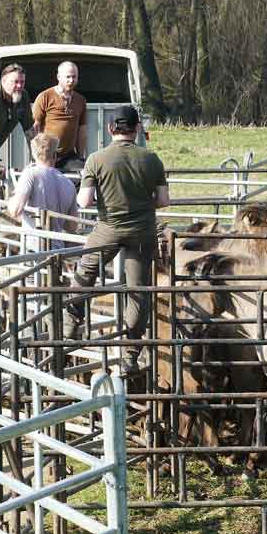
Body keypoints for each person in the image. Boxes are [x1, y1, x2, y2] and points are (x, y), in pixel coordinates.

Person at [64, 105, 168, 375]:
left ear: (111, 129)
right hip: (142, 232)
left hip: (108, 228)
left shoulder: (97, 159)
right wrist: (143, 204)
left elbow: (84, 200)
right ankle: (130, 357)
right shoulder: (151, 158)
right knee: (138, 292)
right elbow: (164, 201)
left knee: (85, 272)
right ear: (137, 129)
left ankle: (71, 325)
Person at [6, 133, 79, 251]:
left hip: (33, 251)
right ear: (55, 155)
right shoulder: (69, 183)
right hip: (57, 252)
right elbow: (72, 226)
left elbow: (15, 210)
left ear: (34, 155)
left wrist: (11, 198)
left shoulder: (30, 174)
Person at [32, 61, 87, 170]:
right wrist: (37, 156)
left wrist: (81, 156)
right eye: (68, 77)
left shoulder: (80, 100)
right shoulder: (45, 97)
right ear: (58, 77)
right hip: (47, 156)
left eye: (74, 77)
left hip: (69, 156)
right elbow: (34, 128)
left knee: (84, 173)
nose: (71, 81)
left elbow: (82, 131)